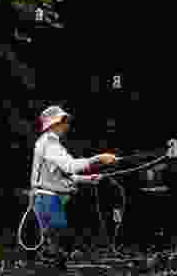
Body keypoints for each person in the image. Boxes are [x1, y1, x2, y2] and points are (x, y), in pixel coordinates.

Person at [30, 105, 116, 267]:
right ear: (54, 124)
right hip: (47, 200)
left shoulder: (50, 144)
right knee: (57, 248)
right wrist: (99, 158)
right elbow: (70, 166)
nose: (67, 125)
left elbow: (63, 174)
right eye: (64, 121)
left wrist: (87, 179)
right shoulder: (50, 145)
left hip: (48, 200)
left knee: (57, 248)